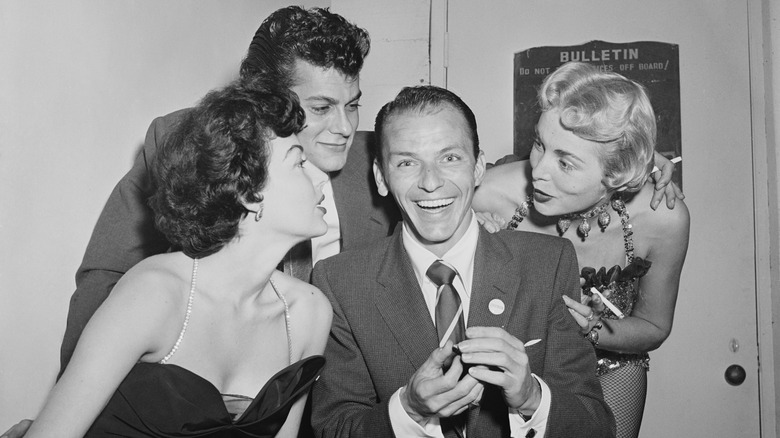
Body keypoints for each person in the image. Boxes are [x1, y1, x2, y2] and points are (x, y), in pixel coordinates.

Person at [23, 83, 333, 437]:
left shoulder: (309, 312)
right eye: (300, 163)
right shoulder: (154, 294)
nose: (320, 181)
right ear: (249, 192)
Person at [309, 85, 614, 438]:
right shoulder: (341, 282)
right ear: (381, 177)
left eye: (449, 158)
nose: (431, 182)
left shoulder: (546, 263)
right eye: (407, 162)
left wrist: (531, 398)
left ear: (479, 167)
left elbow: (595, 427)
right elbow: (334, 429)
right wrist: (407, 410)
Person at [472, 61, 690, 438]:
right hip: (514, 361)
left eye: (565, 162)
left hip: (611, 364)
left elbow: (654, 326)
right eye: (540, 143)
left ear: (618, 173)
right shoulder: (489, 195)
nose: (538, 170)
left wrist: (596, 332)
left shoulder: (663, 219)